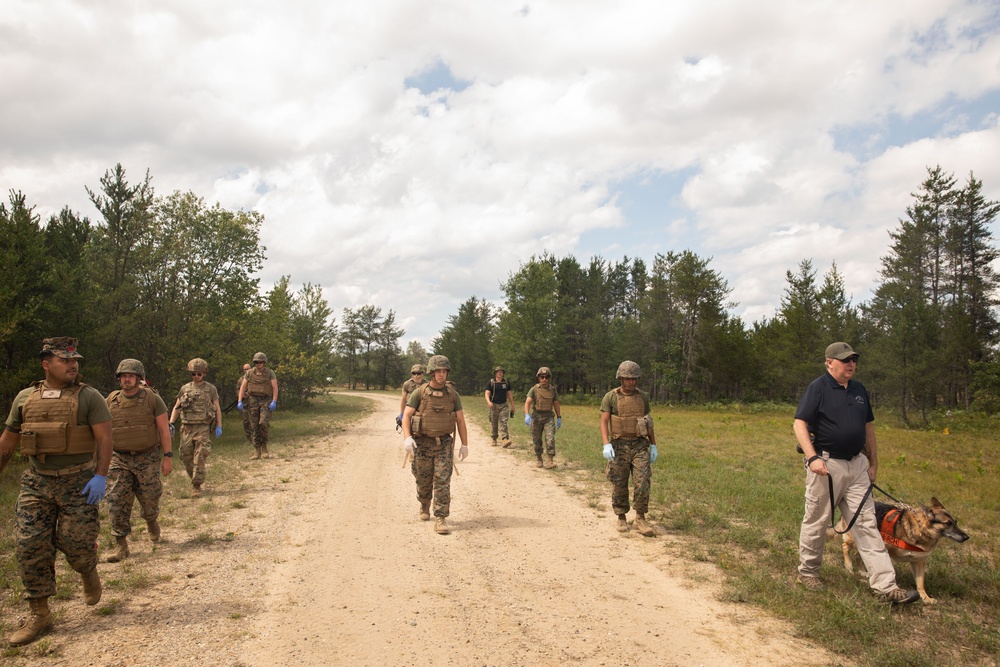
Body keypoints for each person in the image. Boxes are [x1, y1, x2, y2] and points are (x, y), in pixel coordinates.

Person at [0, 337, 113, 646]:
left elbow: (105, 440)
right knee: (29, 545)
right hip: (37, 481)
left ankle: (87, 569)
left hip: (78, 481)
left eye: (74, 359)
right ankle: (40, 614)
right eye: (65, 360)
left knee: (76, 544)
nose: (72, 364)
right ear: (46, 363)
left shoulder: (90, 397)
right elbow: (8, 441)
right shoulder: (25, 398)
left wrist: (100, 476)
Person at [794, 342, 920, 605]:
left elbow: (868, 428)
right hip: (827, 466)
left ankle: (886, 586)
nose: (851, 363)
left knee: (866, 524)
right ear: (829, 362)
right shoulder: (818, 388)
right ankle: (807, 573)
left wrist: (873, 463)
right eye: (845, 360)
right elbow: (800, 423)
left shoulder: (860, 390)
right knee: (817, 520)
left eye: (853, 359)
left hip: (858, 466)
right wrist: (812, 457)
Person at [104, 359, 173, 563]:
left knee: (150, 498)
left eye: (130, 375)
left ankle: (151, 519)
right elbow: (104, 431)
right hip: (119, 458)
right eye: (123, 376)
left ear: (138, 378)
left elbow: (163, 429)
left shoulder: (152, 399)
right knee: (116, 500)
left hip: (147, 457)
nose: (126, 379)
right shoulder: (111, 400)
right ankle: (121, 545)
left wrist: (167, 457)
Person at [401, 355, 469, 535]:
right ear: (431, 373)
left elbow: (460, 420)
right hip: (422, 444)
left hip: (444, 444)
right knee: (423, 480)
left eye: (444, 371)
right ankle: (424, 503)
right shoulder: (420, 392)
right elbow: (406, 416)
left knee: (442, 481)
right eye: (438, 371)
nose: (441, 374)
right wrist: (407, 438)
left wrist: (464, 444)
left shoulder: (453, 395)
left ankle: (440, 517)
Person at [600, 360, 657, 537]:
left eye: (634, 379)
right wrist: (606, 443)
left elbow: (648, 422)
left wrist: (653, 444)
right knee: (620, 483)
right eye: (628, 379)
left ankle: (640, 517)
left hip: (640, 445)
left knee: (643, 481)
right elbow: (604, 421)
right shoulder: (611, 397)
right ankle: (621, 516)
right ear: (621, 378)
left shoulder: (643, 397)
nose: (631, 382)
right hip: (619, 445)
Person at [170, 358, 222, 497]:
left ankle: (196, 485)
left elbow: (217, 408)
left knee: (200, 456)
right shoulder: (185, 389)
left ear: (204, 373)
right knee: (186, 457)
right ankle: (193, 478)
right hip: (187, 427)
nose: (196, 376)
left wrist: (219, 425)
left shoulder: (210, 389)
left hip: (202, 427)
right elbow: (177, 407)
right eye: (193, 374)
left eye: (199, 374)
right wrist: (171, 423)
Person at [238, 352, 278, 460]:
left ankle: (264, 446)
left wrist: (274, 401)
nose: (258, 364)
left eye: (260, 362)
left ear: (264, 362)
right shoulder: (250, 373)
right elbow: (243, 386)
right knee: (254, 426)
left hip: (266, 400)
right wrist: (239, 400)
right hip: (253, 400)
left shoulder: (270, 373)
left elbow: (275, 387)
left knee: (263, 423)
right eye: (256, 362)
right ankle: (257, 450)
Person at [523, 366, 562, 468]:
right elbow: (527, 402)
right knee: (536, 439)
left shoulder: (552, 390)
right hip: (536, 417)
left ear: (549, 378)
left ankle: (550, 460)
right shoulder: (534, 389)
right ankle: (539, 459)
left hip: (548, 417)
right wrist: (527, 414)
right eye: (542, 377)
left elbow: (556, 403)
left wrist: (559, 417)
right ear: (538, 378)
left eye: (546, 377)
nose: (544, 379)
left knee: (550, 438)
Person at [484, 365, 515, 447]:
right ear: (495, 373)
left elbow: (509, 394)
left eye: (501, 372)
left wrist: (512, 405)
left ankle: (505, 439)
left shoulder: (506, 382)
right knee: (494, 423)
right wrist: (488, 402)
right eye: (498, 372)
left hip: (503, 405)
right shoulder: (491, 382)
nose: (500, 373)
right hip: (493, 405)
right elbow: (487, 393)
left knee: (503, 422)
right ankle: (494, 438)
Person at [398, 364, 427, 430]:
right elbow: (403, 400)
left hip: (422, 411)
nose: (416, 376)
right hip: (410, 410)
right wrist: (402, 413)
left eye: (418, 373)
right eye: (414, 373)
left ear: (422, 373)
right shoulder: (407, 384)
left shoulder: (426, 384)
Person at [238, 362, 252, 448]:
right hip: (245, 404)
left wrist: (250, 393)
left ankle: (257, 438)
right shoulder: (240, 380)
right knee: (246, 421)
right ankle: (248, 438)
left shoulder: (255, 378)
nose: (247, 370)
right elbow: (237, 389)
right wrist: (241, 395)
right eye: (245, 369)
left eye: (248, 369)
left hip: (254, 403)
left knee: (256, 421)